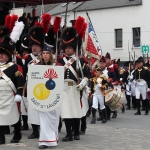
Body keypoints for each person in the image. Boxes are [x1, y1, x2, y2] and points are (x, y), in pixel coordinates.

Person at [58, 27, 89, 142]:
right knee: (66, 112)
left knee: (76, 111)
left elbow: (87, 75)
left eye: (70, 48)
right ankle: (69, 133)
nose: (67, 50)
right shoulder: (60, 61)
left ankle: (76, 132)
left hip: (75, 88)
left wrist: (82, 84)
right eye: (66, 48)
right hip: (63, 88)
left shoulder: (80, 61)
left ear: (74, 48)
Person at [0, 36, 24, 144]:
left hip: (10, 95)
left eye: (3, 53)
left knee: (14, 115)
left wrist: (19, 93)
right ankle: (1, 137)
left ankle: (17, 133)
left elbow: (20, 81)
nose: (0, 55)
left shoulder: (15, 67)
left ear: (8, 55)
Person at [37, 44, 60, 149]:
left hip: (54, 95)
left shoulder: (57, 66)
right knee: (43, 118)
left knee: (54, 117)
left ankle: (54, 136)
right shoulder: (37, 66)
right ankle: (44, 140)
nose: (45, 55)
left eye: (47, 53)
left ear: (51, 55)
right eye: (44, 53)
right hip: (41, 95)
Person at [24, 25, 45, 139]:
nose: (34, 48)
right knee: (32, 110)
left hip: (42, 87)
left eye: (36, 46)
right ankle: (35, 130)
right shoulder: (27, 58)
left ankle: (44, 128)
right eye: (33, 46)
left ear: (41, 47)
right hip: (30, 87)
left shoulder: (45, 57)